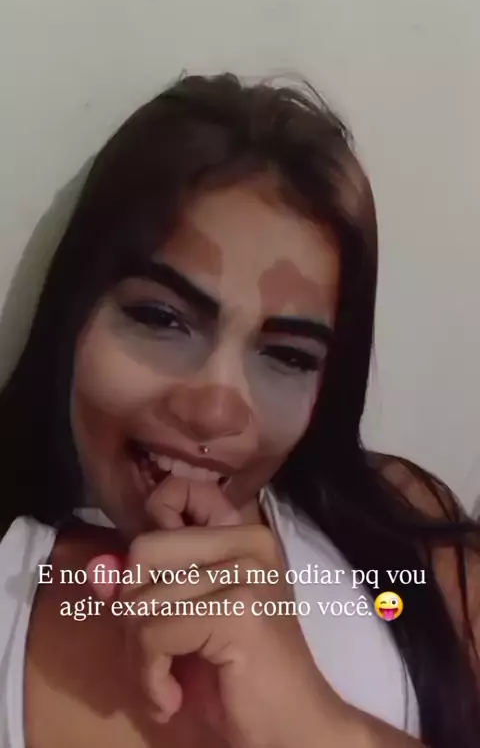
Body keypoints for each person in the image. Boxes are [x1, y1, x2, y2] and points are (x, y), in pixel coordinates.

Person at [0, 73, 478, 748]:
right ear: (74, 311)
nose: (215, 411)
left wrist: (311, 722)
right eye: (160, 318)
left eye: (287, 355)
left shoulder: (404, 531)